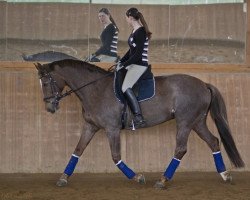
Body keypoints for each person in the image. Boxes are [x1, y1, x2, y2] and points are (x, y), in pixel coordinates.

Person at [116, 7, 152, 129]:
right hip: (134, 63)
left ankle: (138, 117)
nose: (126, 20)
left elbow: (137, 55)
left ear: (131, 18)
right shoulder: (134, 31)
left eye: (126, 18)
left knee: (126, 87)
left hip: (140, 64)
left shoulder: (140, 32)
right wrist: (120, 62)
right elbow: (131, 51)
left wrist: (125, 64)